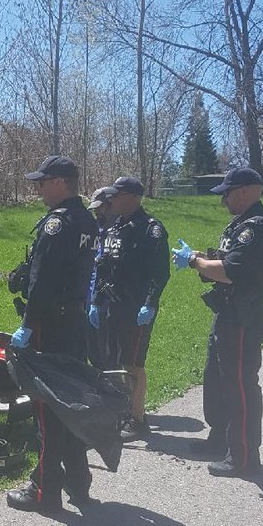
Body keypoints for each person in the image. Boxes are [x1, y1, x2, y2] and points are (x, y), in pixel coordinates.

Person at [172, 166, 263, 478]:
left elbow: (230, 271)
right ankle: (221, 439)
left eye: (227, 194)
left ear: (245, 191)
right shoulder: (241, 224)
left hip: (243, 316)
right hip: (227, 313)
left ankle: (244, 456)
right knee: (217, 379)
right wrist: (201, 257)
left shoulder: (257, 227)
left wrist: (194, 261)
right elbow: (225, 260)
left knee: (240, 385)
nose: (223, 201)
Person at [6, 155, 98, 515]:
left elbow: (43, 283)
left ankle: (44, 490)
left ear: (59, 183)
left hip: (51, 326)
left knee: (46, 407)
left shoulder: (57, 225)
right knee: (71, 402)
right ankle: (78, 482)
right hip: (75, 323)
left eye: (42, 182)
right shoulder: (87, 220)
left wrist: (28, 324)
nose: (39, 189)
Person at [89, 175, 170, 441]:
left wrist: (150, 303)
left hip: (135, 309)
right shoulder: (115, 227)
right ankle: (118, 413)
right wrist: (96, 301)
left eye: (117, 195)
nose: (111, 199)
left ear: (133, 198)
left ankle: (137, 418)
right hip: (111, 305)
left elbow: (160, 273)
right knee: (112, 361)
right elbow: (102, 266)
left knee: (133, 363)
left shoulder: (150, 229)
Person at [86, 187, 115, 371]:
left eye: (100, 207)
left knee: (109, 358)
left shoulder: (118, 232)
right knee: (94, 355)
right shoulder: (97, 229)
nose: (97, 212)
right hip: (89, 298)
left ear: (111, 205)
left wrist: (99, 301)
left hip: (107, 303)